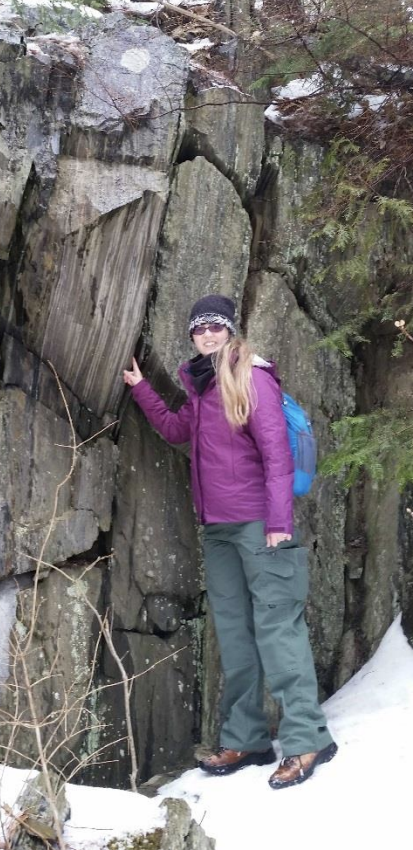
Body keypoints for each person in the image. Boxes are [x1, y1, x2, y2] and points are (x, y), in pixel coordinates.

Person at [122, 293, 338, 790]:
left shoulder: (250, 375)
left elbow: (277, 454)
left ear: (230, 330)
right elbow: (179, 431)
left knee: (278, 628)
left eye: (216, 327)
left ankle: (308, 739)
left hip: (262, 525)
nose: (208, 335)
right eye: (200, 328)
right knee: (236, 635)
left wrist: (279, 521)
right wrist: (140, 389)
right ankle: (248, 738)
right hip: (217, 529)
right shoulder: (199, 386)